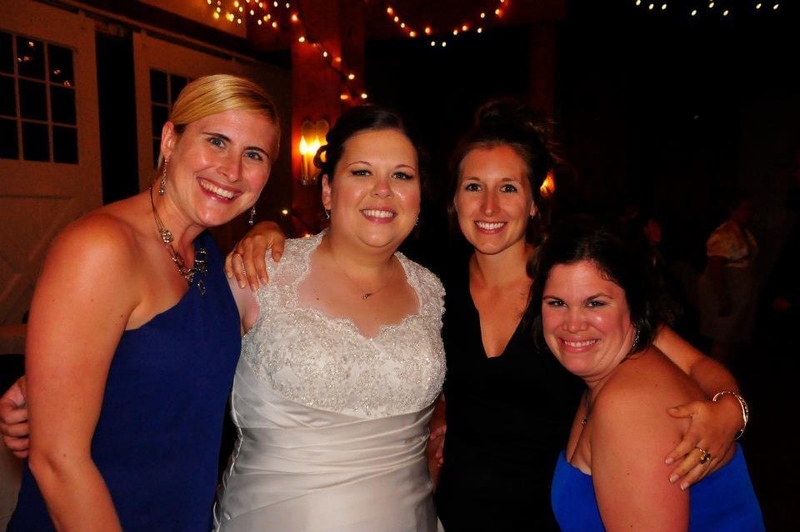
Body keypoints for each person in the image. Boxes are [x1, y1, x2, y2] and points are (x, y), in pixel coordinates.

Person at [225, 99, 749, 530]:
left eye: (509, 188)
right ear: (452, 200)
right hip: (453, 516)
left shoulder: (567, 289)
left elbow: (695, 366)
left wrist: (730, 410)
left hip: (548, 520)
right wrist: (267, 226)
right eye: (473, 187)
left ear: (535, 203)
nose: (490, 207)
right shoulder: (432, 285)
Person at [5, 74, 282, 531]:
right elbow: (57, 461)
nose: (232, 171)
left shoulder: (207, 254)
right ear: (171, 139)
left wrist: (268, 228)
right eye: (216, 141)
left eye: (253, 155)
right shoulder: (100, 247)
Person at [213, 104, 446, 530]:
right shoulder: (259, 272)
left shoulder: (433, 291)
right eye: (361, 172)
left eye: (401, 175)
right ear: (327, 190)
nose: (382, 190)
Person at [531, 213, 764, 531]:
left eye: (595, 304)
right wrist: (731, 406)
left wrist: (732, 409)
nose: (572, 324)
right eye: (556, 303)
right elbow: (699, 365)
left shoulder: (628, 405)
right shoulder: (622, 361)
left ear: (635, 305)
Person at [697, 191, 760, 366]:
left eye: (750, 209)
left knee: (735, 335)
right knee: (723, 335)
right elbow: (716, 268)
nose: (748, 213)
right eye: (744, 209)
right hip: (729, 290)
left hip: (742, 292)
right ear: (732, 211)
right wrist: (723, 297)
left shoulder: (745, 233)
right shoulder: (722, 234)